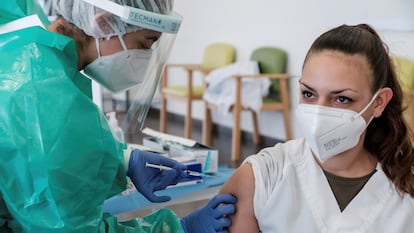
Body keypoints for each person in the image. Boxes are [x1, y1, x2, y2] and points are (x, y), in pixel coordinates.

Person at [0, 0, 236, 232]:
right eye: (146, 43)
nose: (148, 56)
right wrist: (178, 228)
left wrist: (122, 160)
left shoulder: (31, 52)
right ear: (104, 24)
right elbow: (69, 227)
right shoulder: (45, 98)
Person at [219, 23, 414, 232]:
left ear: (378, 102)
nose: (319, 114)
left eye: (341, 98)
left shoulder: (405, 187)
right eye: (309, 94)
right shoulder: (262, 176)